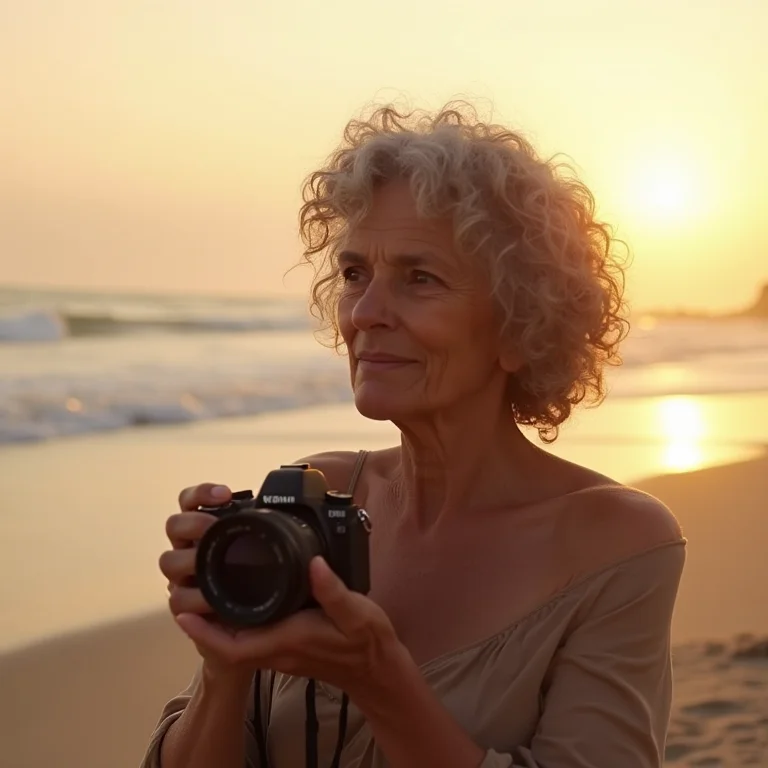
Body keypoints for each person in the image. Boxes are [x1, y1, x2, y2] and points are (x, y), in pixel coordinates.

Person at [141, 102, 686, 768]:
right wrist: (223, 662)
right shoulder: (317, 496)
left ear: (521, 324)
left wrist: (381, 680)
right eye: (353, 274)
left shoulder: (613, 541)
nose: (365, 314)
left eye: (419, 278)